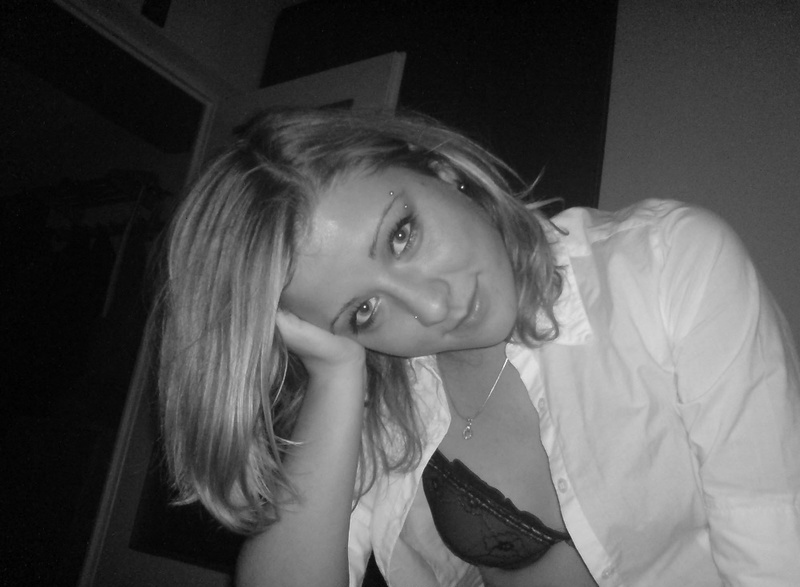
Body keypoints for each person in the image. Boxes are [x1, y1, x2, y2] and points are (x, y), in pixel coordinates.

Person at [156, 107, 800, 587]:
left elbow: (774, 551)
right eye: (363, 310)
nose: (434, 307)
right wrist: (335, 377)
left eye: (402, 235)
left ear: (439, 170)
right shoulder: (385, 403)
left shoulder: (667, 268)